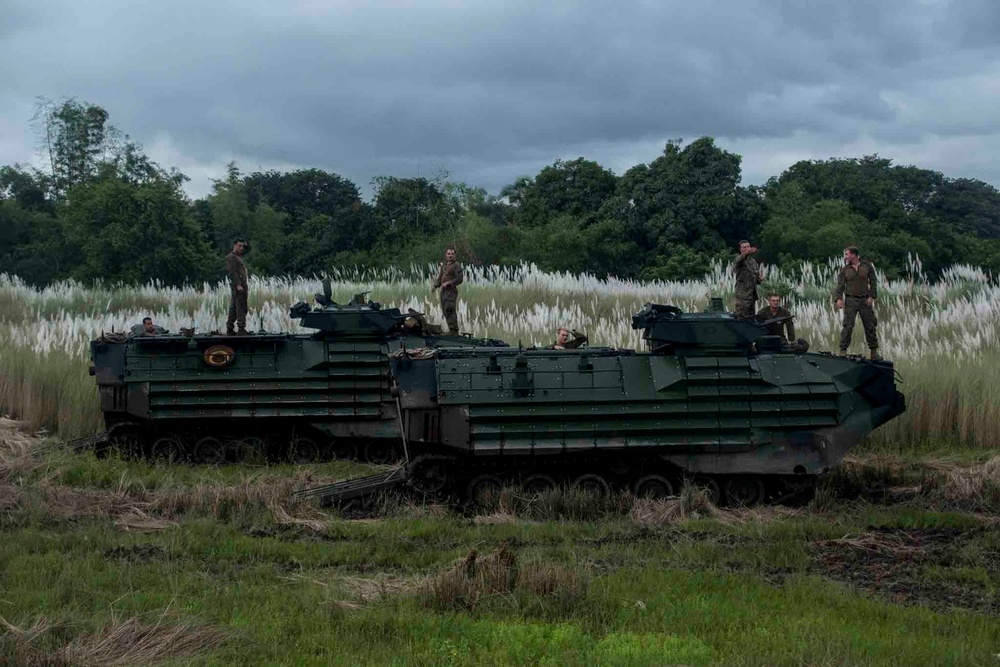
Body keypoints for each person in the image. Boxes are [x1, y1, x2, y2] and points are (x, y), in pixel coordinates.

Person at [834, 245, 881, 360]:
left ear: (853, 255)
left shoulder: (867, 266)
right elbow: (840, 285)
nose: (845, 257)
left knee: (870, 325)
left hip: (865, 300)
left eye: (847, 254)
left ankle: (874, 352)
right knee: (848, 326)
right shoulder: (845, 270)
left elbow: (873, 281)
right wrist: (838, 299)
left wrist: (872, 296)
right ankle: (843, 350)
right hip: (851, 300)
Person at [432, 246, 464, 334]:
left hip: (451, 291)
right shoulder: (444, 265)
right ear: (446, 255)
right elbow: (440, 276)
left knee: (450, 309)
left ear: (455, 255)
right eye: (448, 254)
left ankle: (454, 330)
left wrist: (449, 283)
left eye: (452, 254)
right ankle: (451, 329)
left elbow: (459, 279)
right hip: (443, 291)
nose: (450, 256)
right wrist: (435, 285)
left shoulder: (456, 265)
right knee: (445, 310)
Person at [733, 240, 763, 319]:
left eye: (748, 247)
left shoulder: (753, 262)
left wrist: (759, 279)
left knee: (751, 319)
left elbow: (755, 278)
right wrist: (747, 253)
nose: (747, 249)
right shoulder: (739, 260)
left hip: (751, 296)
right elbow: (739, 260)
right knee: (741, 318)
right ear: (740, 250)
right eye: (744, 247)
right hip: (742, 297)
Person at [225, 239, 250, 335]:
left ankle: (230, 328)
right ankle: (241, 328)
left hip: (241, 285)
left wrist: (246, 244)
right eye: (239, 246)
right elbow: (232, 272)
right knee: (241, 306)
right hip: (238, 286)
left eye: (242, 246)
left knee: (234, 307)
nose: (241, 248)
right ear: (234, 245)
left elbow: (248, 249)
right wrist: (238, 284)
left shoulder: (238, 256)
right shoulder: (232, 257)